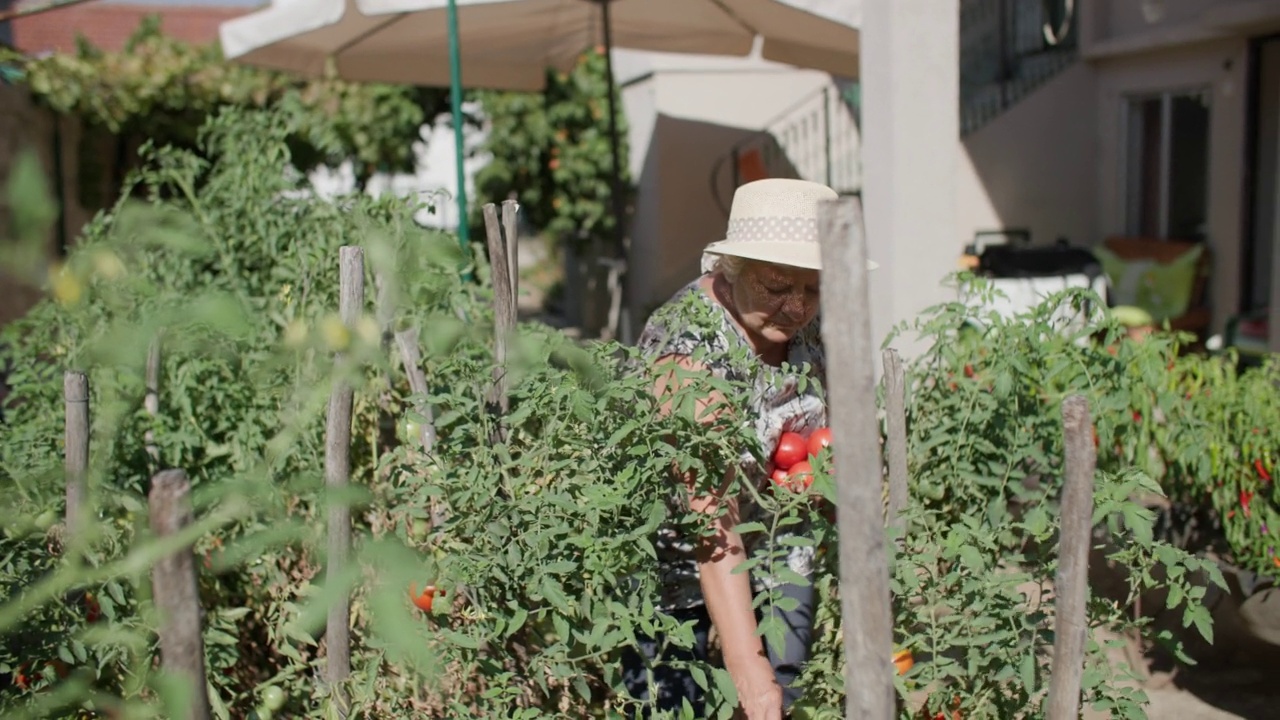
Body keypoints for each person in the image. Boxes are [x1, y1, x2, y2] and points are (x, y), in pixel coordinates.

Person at [621, 179, 875, 719]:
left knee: (787, 692)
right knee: (677, 702)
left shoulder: (813, 324)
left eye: (815, 288)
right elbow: (710, 519)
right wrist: (746, 662)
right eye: (778, 285)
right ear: (729, 271)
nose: (798, 306)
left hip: (780, 539)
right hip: (677, 561)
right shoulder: (685, 349)